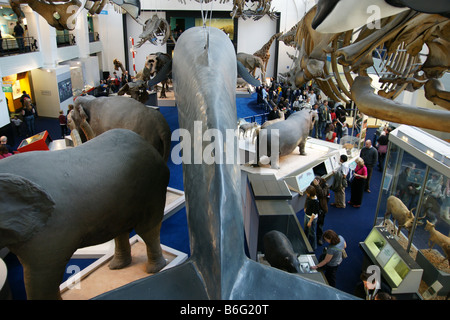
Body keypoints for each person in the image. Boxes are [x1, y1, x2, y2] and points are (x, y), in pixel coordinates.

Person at [311, 176, 329, 246]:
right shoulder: (313, 183)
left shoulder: (325, 185)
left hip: (322, 207)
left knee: (320, 224)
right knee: (311, 222)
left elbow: (322, 194)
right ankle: (311, 236)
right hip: (314, 206)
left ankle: (319, 238)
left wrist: (317, 186)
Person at [304, 185, 320, 250]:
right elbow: (306, 202)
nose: (307, 194)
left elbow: (314, 213)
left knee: (312, 233)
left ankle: (313, 247)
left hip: (312, 218)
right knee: (306, 230)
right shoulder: (309, 197)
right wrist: (305, 208)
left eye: (308, 193)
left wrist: (310, 221)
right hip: (307, 215)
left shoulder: (315, 201)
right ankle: (306, 242)